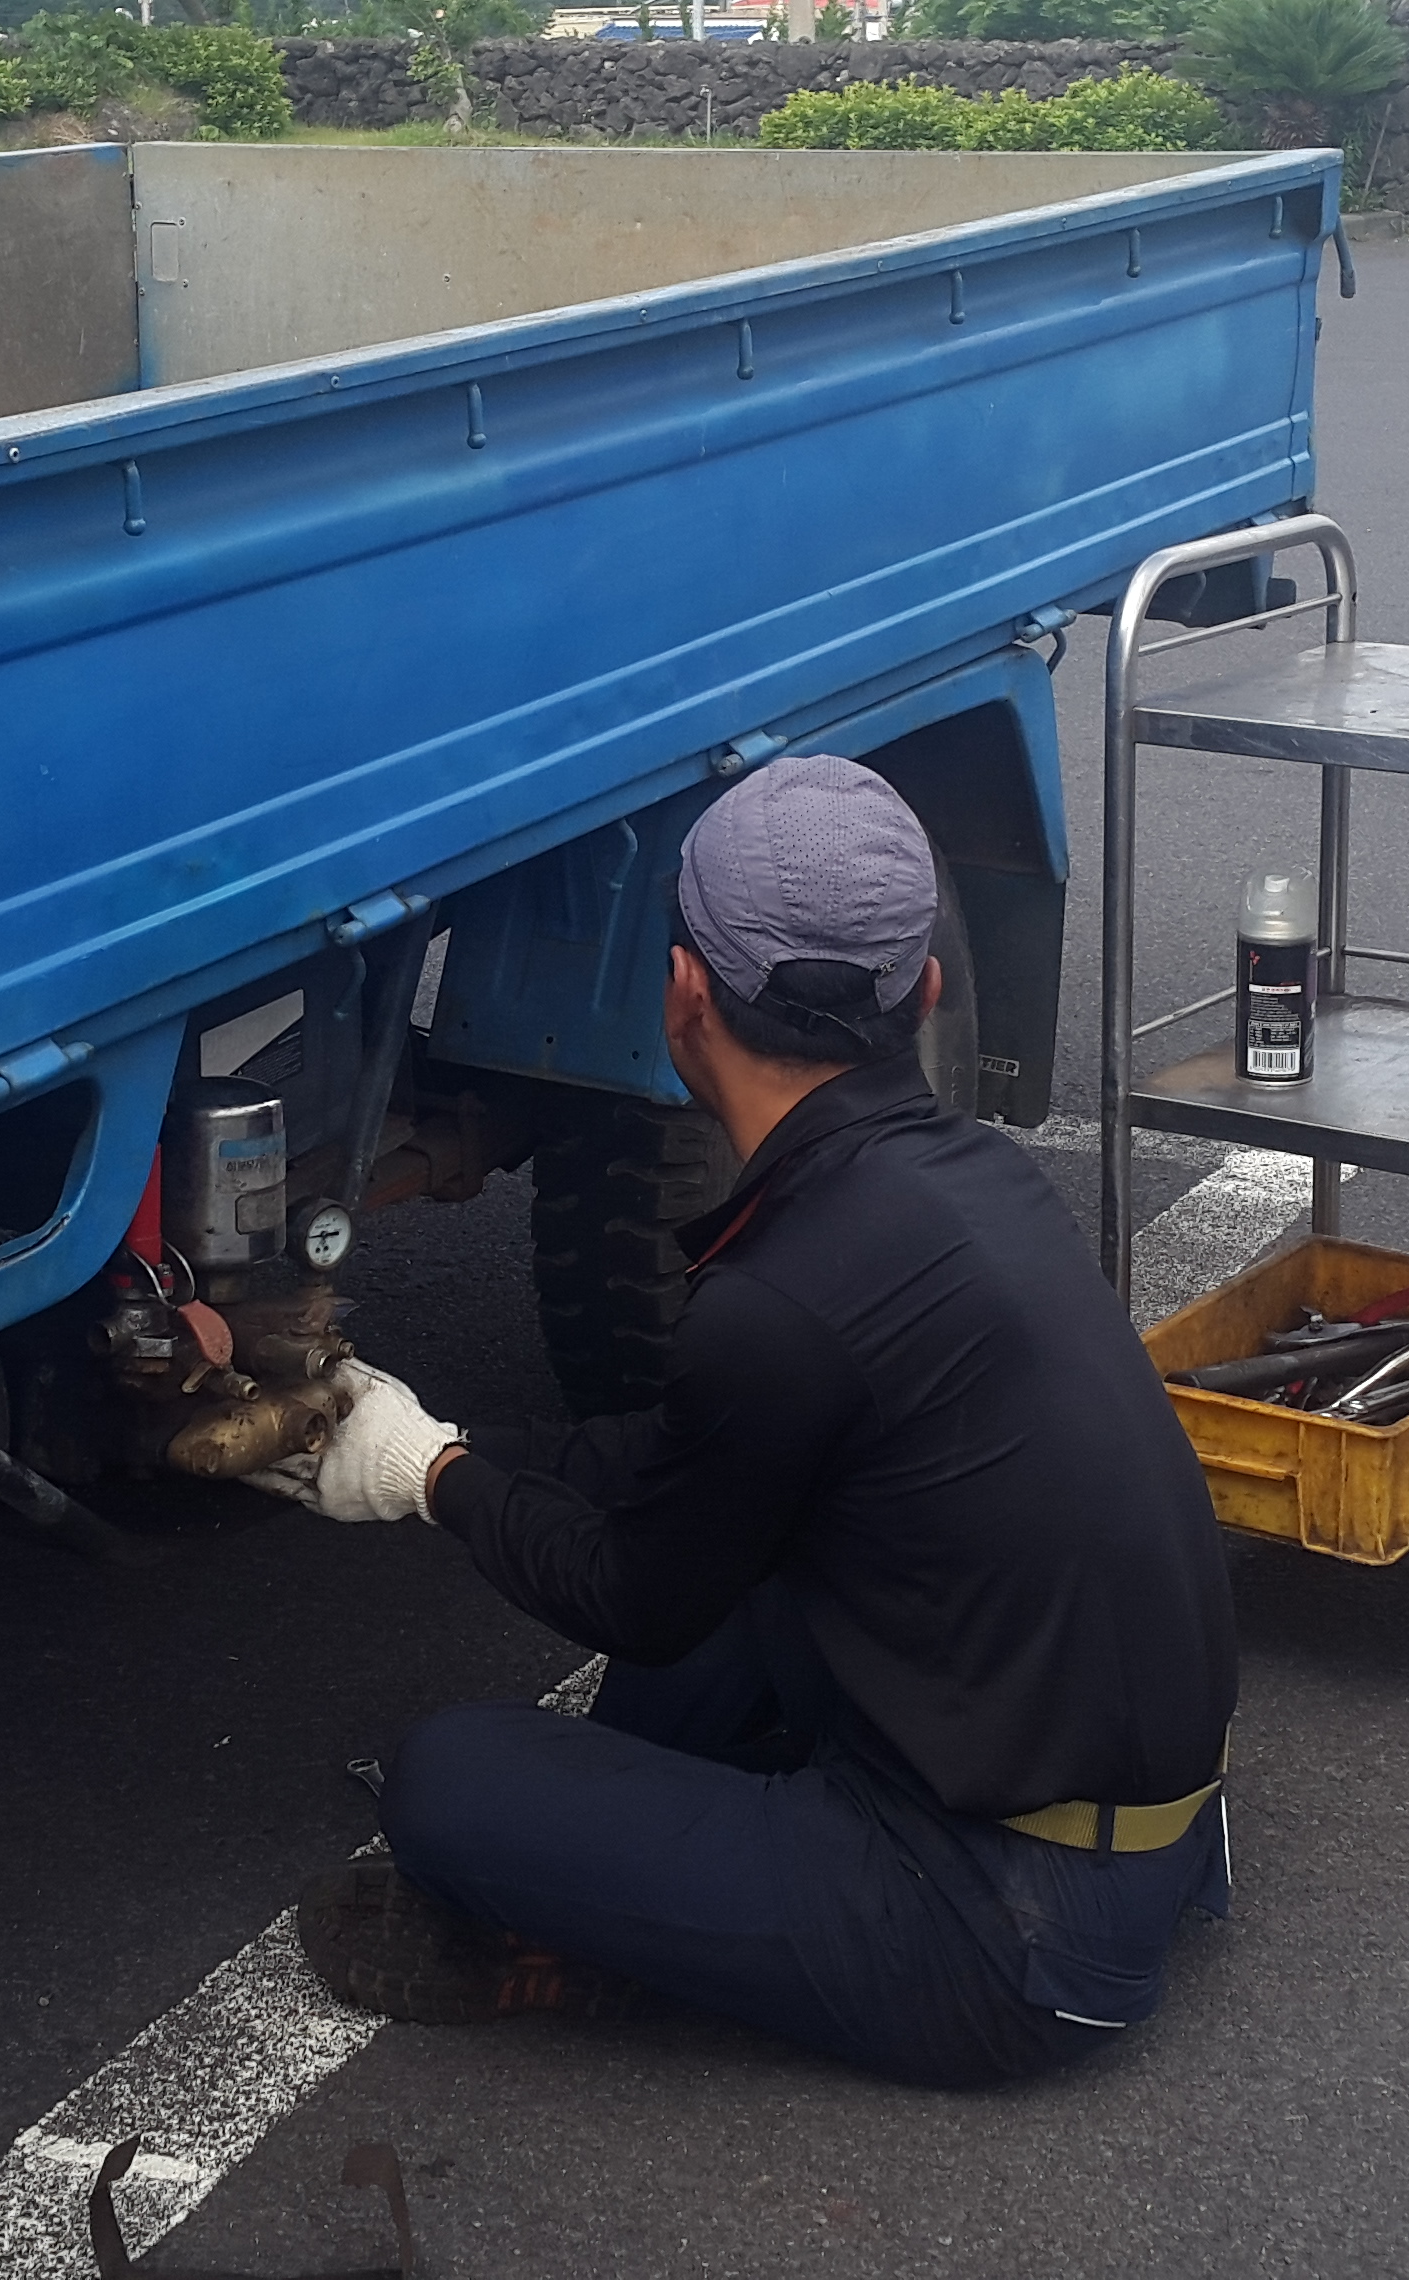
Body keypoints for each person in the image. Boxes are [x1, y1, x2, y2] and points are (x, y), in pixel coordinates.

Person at [266, 756, 1240, 2089]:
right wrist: (410, 1422)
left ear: (682, 995)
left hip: (1007, 1937)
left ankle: (624, 1927)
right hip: (1139, 1839)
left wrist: (428, 1476)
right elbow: (688, 1463)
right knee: (745, 1560)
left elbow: (638, 1595)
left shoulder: (781, 1301)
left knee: (450, 1780)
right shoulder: (972, 1183)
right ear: (929, 990)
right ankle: (647, 1861)